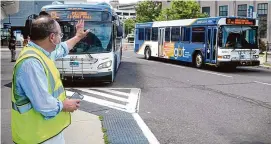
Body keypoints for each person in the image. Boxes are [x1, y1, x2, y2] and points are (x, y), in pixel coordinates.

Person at [11, 16, 89, 144]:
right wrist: (65, 105)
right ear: (52, 37)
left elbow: (62, 48)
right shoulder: (31, 63)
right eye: (60, 34)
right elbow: (43, 104)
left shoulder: (40, 52)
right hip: (37, 137)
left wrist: (78, 37)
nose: (61, 38)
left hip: (45, 134)